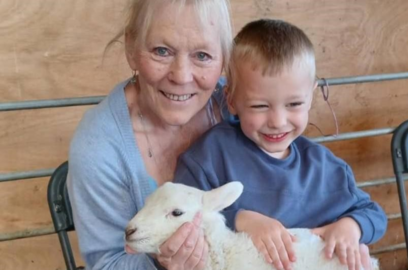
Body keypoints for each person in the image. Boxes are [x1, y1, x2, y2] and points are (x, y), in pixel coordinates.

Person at [173, 19, 388, 270]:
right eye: (260, 106)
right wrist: (241, 219)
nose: (278, 121)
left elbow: (373, 214)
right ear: (231, 100)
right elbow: (180, 215)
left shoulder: (325, 168)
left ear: (311, 96)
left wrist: (350, 227)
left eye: (294, 104)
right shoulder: (210, 156)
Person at [67, 0, 233, 269]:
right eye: (162, 51)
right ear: (131, 49)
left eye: (202, 55)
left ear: (224, 57)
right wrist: (160, 263)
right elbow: (108, 263)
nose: (181, 76)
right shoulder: (99, 147)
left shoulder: (243, 106)